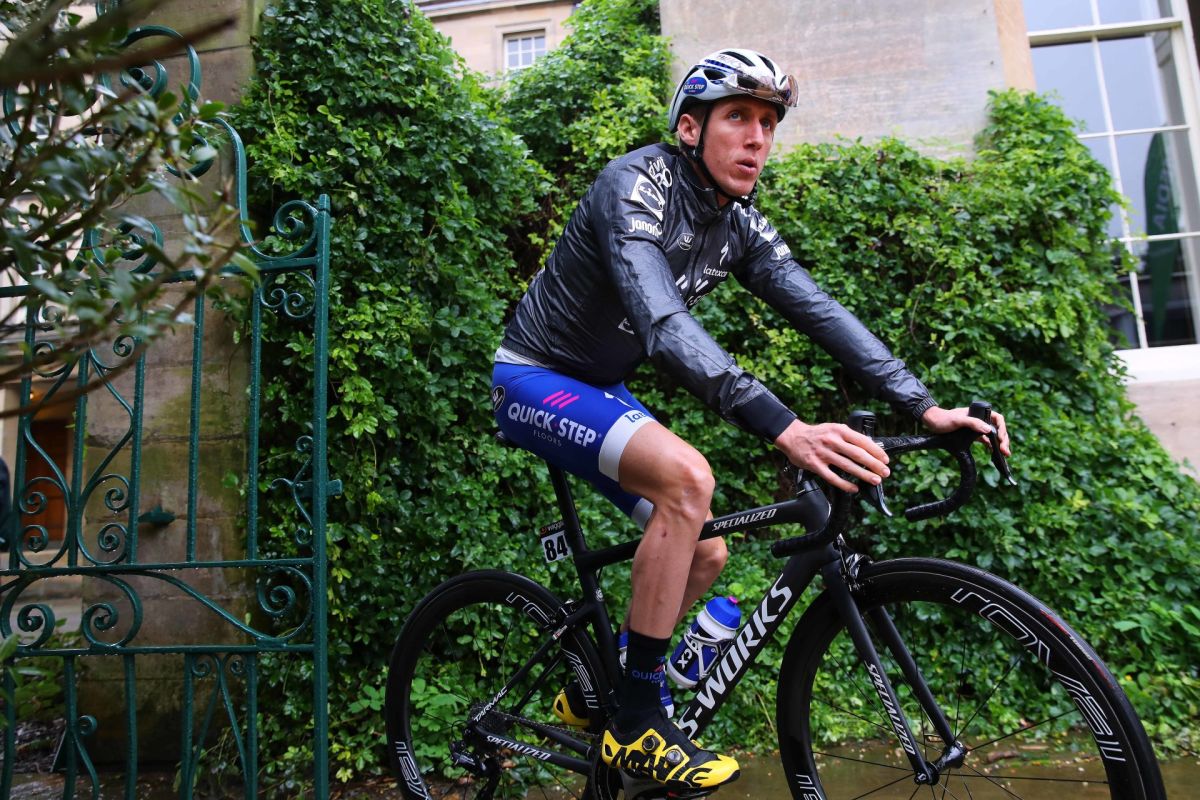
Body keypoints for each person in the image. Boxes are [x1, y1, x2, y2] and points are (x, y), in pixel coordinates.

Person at [492, 48, 1010, 791]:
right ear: (690, 128)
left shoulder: (737, 223)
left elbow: (819, 310)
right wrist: (787, 428)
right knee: (689, 481)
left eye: (768, 122)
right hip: (533, 377)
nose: (757, 137)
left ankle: (601, 689)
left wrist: (925, 407)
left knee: (703, 551)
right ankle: (636, 723)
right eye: (738, 116)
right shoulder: (633, 185)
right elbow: (664, 325)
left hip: (599, 386)